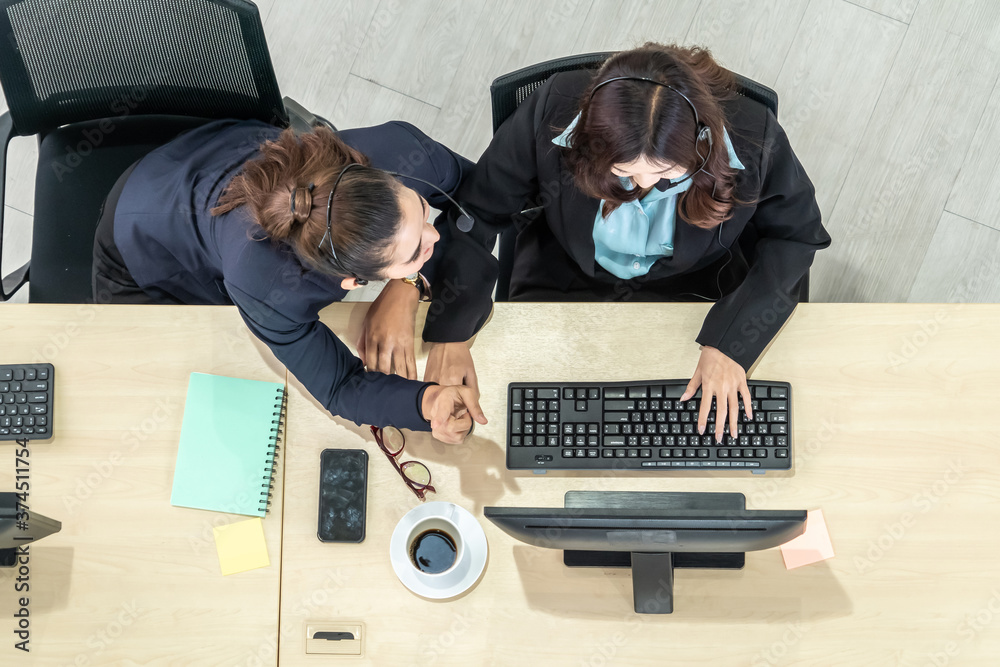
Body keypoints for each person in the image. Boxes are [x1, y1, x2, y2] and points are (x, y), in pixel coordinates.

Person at [421, 43, 831, 442]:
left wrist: (733, 342)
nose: (646, 185)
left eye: (666, 172)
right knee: (529, 414)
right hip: (564, 276)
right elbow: (477, 210)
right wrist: (451, 329)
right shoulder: (551, 110)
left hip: (699, 293)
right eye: (625, 172)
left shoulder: (755, 135)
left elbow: (796, 236)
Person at [92, 119, 486, 443]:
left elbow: (481, 200)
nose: (436, 237)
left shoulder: (402, 152)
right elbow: (339, 385)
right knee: (155, 385)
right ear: (352, 281)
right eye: (416, 252)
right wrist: (425, 402)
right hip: (143, 230)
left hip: (216, 151)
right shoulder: (265, 288)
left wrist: (408, 285)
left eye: (421, 208)